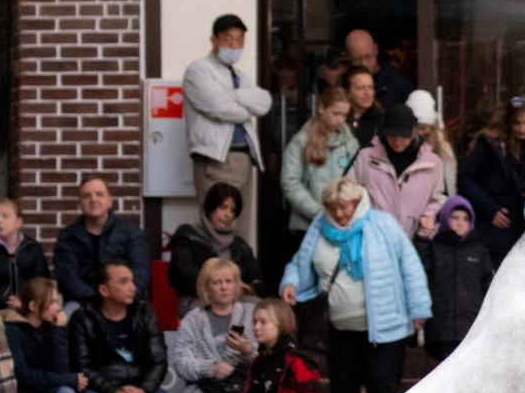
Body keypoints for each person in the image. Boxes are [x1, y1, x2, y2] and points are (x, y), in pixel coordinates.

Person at [278, 175, 433, 393]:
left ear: (357, 202)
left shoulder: (383, 224)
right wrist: (290, 283)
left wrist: (419, 309)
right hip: (340, 331)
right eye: (332, 208)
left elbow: (410, 266)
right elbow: (301, 261)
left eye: (344, 207)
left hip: (385, 332)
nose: (338, 214)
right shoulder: (319, 227)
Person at [183, 14, 273, 225]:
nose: (234, 44)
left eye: (239, 39)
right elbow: (220, 109)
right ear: (214, 40)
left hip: (243, 159)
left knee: (240, 231)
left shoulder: (239, 75)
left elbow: (264, 102)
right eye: (228, 38)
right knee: (218, 228)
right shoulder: (198, 70)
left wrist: (232, 95)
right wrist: (245, 106)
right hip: (217, 160)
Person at [458, 96, 525, 263]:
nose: (523, 129)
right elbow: (465, 179)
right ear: (508, 123)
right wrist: (490, 209)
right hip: (496, 233)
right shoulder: (491, 147)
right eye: (517, 123)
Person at [67, 261, 175, 393]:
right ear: (104, 290)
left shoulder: (144, 313)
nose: (132, 288)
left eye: (132, 280)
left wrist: (143, 391)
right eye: (124, 282)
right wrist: (114, 392)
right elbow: (82, 366)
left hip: (140, 385)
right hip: (100, 389)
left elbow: (158, 360)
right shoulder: (83, 318)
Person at [351, 100, 450, 239]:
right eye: (392, 136)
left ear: (413, 131)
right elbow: (352, 193)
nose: (397, 141)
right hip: (374, 239)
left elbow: (438, 198)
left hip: (414, 240)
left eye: (403, 136)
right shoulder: (366, 157)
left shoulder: (432, 162)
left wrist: (428, 216)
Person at [53, 176, 153, 309]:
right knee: (67, 316)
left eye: (99, 194)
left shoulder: (130, 232)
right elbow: (68, 279)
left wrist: (118, 296)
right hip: (82, 303)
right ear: (80, 204)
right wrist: (99, 300)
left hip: (126, 300)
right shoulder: (68, 237)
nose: (93, 199)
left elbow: (141, 271)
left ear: (109, 201)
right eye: (86, 196)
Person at [167, 257, 255, 393]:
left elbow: (269, 358)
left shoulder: (250, 314)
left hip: (245, 390)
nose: (224, 287)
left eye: (229, 281)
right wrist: (210, 369)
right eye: (216, 282)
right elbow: (181, 361)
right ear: (206, 288)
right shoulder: (193, 319)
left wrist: (247, 350)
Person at [168, 181, 264, 312]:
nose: (228, 215)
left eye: (233, 210)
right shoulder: (188, 236)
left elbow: (256, 279)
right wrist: (219, 285)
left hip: (235, 300)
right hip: (199, 299)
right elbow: (182, 274)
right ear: (210, 208)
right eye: (223, 207)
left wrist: (249, 288)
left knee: (260, 309)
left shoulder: (240, 245)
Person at [419, 198, 493, 360]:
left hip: (471, 326)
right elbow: (419, 271)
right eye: (455, 217)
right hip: (440, 328)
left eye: (466, 219)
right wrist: (422, 240)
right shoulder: (435, 247)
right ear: (445, 218)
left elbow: (489, 287)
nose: (460, 223)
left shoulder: (479, 250)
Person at [282, 82, 360, 233]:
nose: (340, 120)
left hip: (344, 224)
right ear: (321, 108)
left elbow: (358, 181)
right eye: (336, 113)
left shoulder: (351, 143)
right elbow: (290, 182)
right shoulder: (301, 141)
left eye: (344, 115)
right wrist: (318, 212)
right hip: (308, 225)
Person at [4, 277, 78, 393]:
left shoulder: (51, 327)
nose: (57, 308)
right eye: (52, 302)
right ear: (33, 306)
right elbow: (22, 375)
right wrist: (66, 379)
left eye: (57, 301)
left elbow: (61, 369)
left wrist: (58, 331)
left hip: (46, 388)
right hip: (23, 392)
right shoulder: (13, 331)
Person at [244, 296, 325, 393]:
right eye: (255, 322)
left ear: (280, 325)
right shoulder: (257, 363)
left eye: (263, 322)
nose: (256, 327)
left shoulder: (298, 362)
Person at [0, 198, 48, 314]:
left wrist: (25, 303)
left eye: (5, 216)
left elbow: (41, 281)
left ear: (18, 222)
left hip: (29, 309)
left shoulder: (32, 248)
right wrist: (7, 302)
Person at [342, 29, 414, 106]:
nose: (364, 64)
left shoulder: (398, 84)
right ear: (347, 57)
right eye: (356, 59)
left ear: (376, 50)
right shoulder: (342, 84)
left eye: (368, 57)